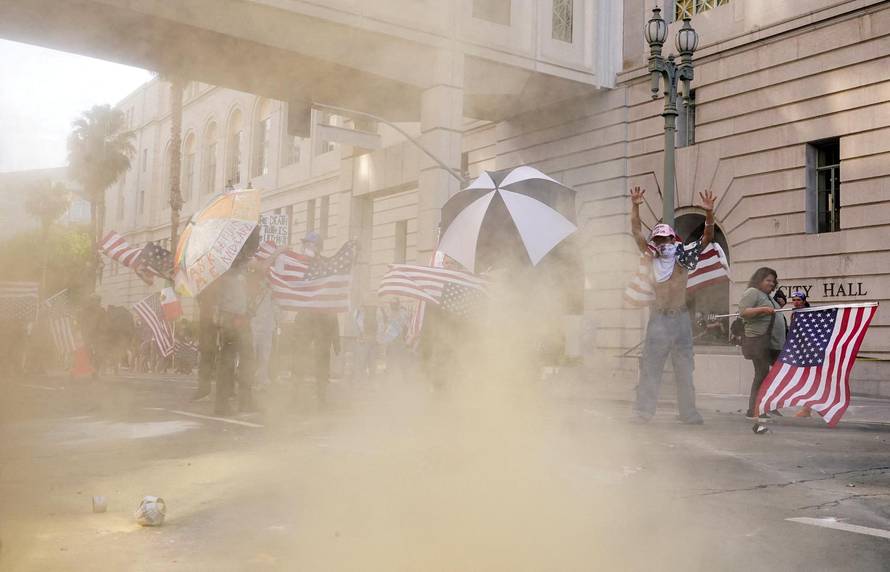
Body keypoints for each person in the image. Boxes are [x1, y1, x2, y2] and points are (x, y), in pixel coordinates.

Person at [629, 186, 717, 425]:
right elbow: (636, 232)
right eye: (657, 239)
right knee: (651, 367)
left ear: (672, 238)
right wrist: (636, 205)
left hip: (680, 319)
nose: (661, 243)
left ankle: (688, 413)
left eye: (665, 238)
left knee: (684, 368)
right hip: (658, 318)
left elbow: (707, 237)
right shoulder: (651, 257)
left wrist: (709, 214)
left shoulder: (683, 256)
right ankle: (643, 412)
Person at [290, 231, 341, 405]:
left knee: (322, 358)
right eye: (305, 244)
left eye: (309, 245)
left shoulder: (326, 266)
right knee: (299, 357)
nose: (305, 247)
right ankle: (295, 393)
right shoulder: (298, 264)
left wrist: (336, 335)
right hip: (305, 319)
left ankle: (321, 396)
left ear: (318, 247)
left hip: (322, 320)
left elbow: (333, 295)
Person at [739, 267, 786, 421]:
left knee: (768, 374)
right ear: (759, 280)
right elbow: (743, 312)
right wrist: (762, 309)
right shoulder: (752, 292)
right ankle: (754, 410)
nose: (771, 284)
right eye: (768, 280)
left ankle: (763, 406)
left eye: (773, 281)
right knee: (761, 374)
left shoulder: (767, 296)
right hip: (759, 340)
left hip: (771, 343)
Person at [215, 257, 255, 416]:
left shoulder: (237, 276)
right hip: (231, 319)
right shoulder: (228, 276)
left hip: (238, 318)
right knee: (229, 362)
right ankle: (223, 404)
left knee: (246, 360)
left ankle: (244, 401)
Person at [790, 291, 815, 418]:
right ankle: (807, 408)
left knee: (810, 380)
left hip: (811, 352)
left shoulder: (810, 314)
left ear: (804, 301)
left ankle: (807, 409)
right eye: (794, 300)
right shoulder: (794, 314)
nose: (796, 302)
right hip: (800, 351)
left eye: (798, 300)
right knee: (804, 380)